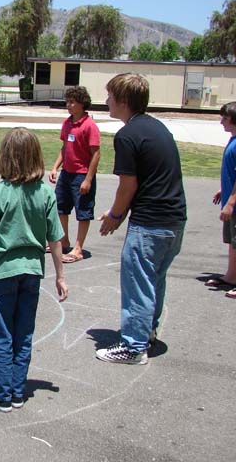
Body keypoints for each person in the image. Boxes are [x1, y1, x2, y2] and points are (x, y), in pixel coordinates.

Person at [0, 127, 68, 413]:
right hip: (31, 273)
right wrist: (60, 276)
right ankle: (17, 391)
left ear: (5, 158)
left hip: (2, 274)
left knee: (1, 335)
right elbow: (55, 239)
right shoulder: (45, 193)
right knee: (23, 333)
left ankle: (2, 394)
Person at [97, 73, 187, 365]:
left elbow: (128, 186)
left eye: (110, 96)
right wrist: (120, 213)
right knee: (153, 281)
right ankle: (146, 332)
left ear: (123, 101)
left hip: (150, 223)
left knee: (138, 283)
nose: (106, 101)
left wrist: (115, 216)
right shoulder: (157, 127)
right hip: (174, 220)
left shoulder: (127, 135)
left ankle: (133, 346)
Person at [48, 86, 101, 263]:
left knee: (83, 211)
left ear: (82, 103)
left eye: (72, 102)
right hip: (66, 173)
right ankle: (64, 241)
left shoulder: (89, 125)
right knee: (61, 207)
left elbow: (96, 154)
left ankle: (78, 249)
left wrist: (88, 179)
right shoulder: (67, 123)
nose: (68, 105)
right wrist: (55, 167)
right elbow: (65, 148)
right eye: (67, 102)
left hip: (82, 175)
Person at [207, 102, 236, 297]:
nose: (221, 122)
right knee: (233, 242)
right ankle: (231, 276)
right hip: (230, 198)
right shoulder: (233, 140)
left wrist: (231, 203)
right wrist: (223, 190)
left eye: (225, 118)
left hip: (234, 203)